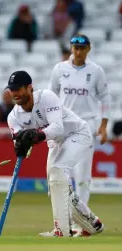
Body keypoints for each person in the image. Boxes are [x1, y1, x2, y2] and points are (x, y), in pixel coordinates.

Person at [6, 70, 104, 237]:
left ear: (29, 88)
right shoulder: (13, 117)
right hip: (55, 142)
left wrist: (36, 135)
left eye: (18, 89)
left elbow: (58, 129)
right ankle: (92, 223)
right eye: (11, 90)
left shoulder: (46, 97)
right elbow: (19, 141)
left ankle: (62, 230)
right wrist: (20, 146)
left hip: (77, 133)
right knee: (56, 186)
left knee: (58, 172)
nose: (14, 94)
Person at [48, 34, 111, 231]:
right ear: (71, 48)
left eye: (82, 48)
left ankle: (82, 223)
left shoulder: (96, 71)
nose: (78, 51)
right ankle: (63, 221)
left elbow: (105, 97)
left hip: (87, 125)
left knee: (82, 177)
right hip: (64, 126)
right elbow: (51, 96)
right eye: (75, 47)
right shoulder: (60, 69)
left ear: (88, 49)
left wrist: (103, 125)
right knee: (59, 175)